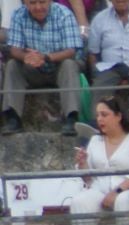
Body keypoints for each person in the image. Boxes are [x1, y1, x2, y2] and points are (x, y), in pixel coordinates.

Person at [2, 0, 85, 135]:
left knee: (70, 64)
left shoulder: (64, 14)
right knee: (12, 65)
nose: (38, 7)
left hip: (58, 68)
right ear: (26, 3)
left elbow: (71, 50)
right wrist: (26, 57)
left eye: (42, 2)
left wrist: (45, 57)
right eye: (33, 3)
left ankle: (72, 118)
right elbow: (14, 49)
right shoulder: (18, 15)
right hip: (32, 69)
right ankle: (13, 117)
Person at [68, 96, 129, 212]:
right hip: (99, 190)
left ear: (119, 116)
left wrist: (116, 192)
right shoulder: (95, 140)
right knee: (79, 201)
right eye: (98, 115)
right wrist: (82, 163)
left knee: (123, 200)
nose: (99, 119)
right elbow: (88, 178)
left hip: (126, 191)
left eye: (104, 115)